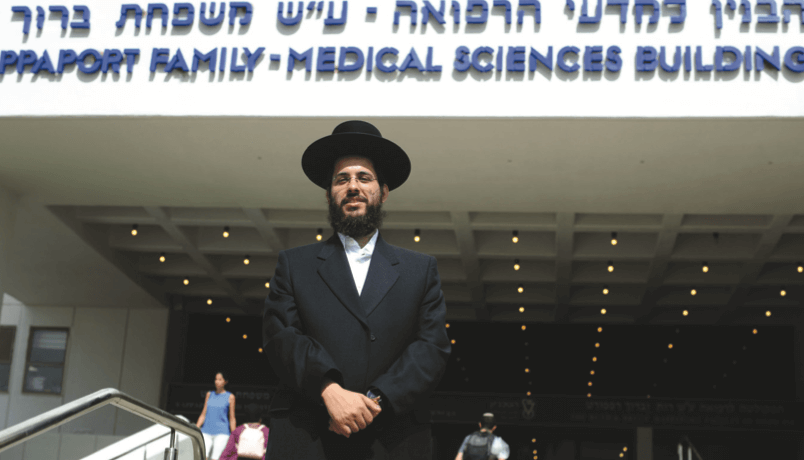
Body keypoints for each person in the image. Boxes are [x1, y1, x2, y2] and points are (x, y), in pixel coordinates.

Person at [263, 120, 451, 460]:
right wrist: (329, 390)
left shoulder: (420, 270)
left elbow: (431, 348)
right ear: (329, 193)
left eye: (364, 178)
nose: (353, 186)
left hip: (393, 439)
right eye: (342, 179)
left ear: (383, 191)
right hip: (307, 436)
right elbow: (281, 337)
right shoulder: (294, 264)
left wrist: (372, 403)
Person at [196, 372, 237, 460]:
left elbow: (232, 418)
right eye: (215, 379)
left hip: (222, 433)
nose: (217, 382)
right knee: (202, 456)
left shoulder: (230, 396)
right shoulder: (209, 394)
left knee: (216, 458)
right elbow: (203, 414)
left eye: (220, 379)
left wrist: (234, 435)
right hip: (206, 431)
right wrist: (195, 428)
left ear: (225, 381)